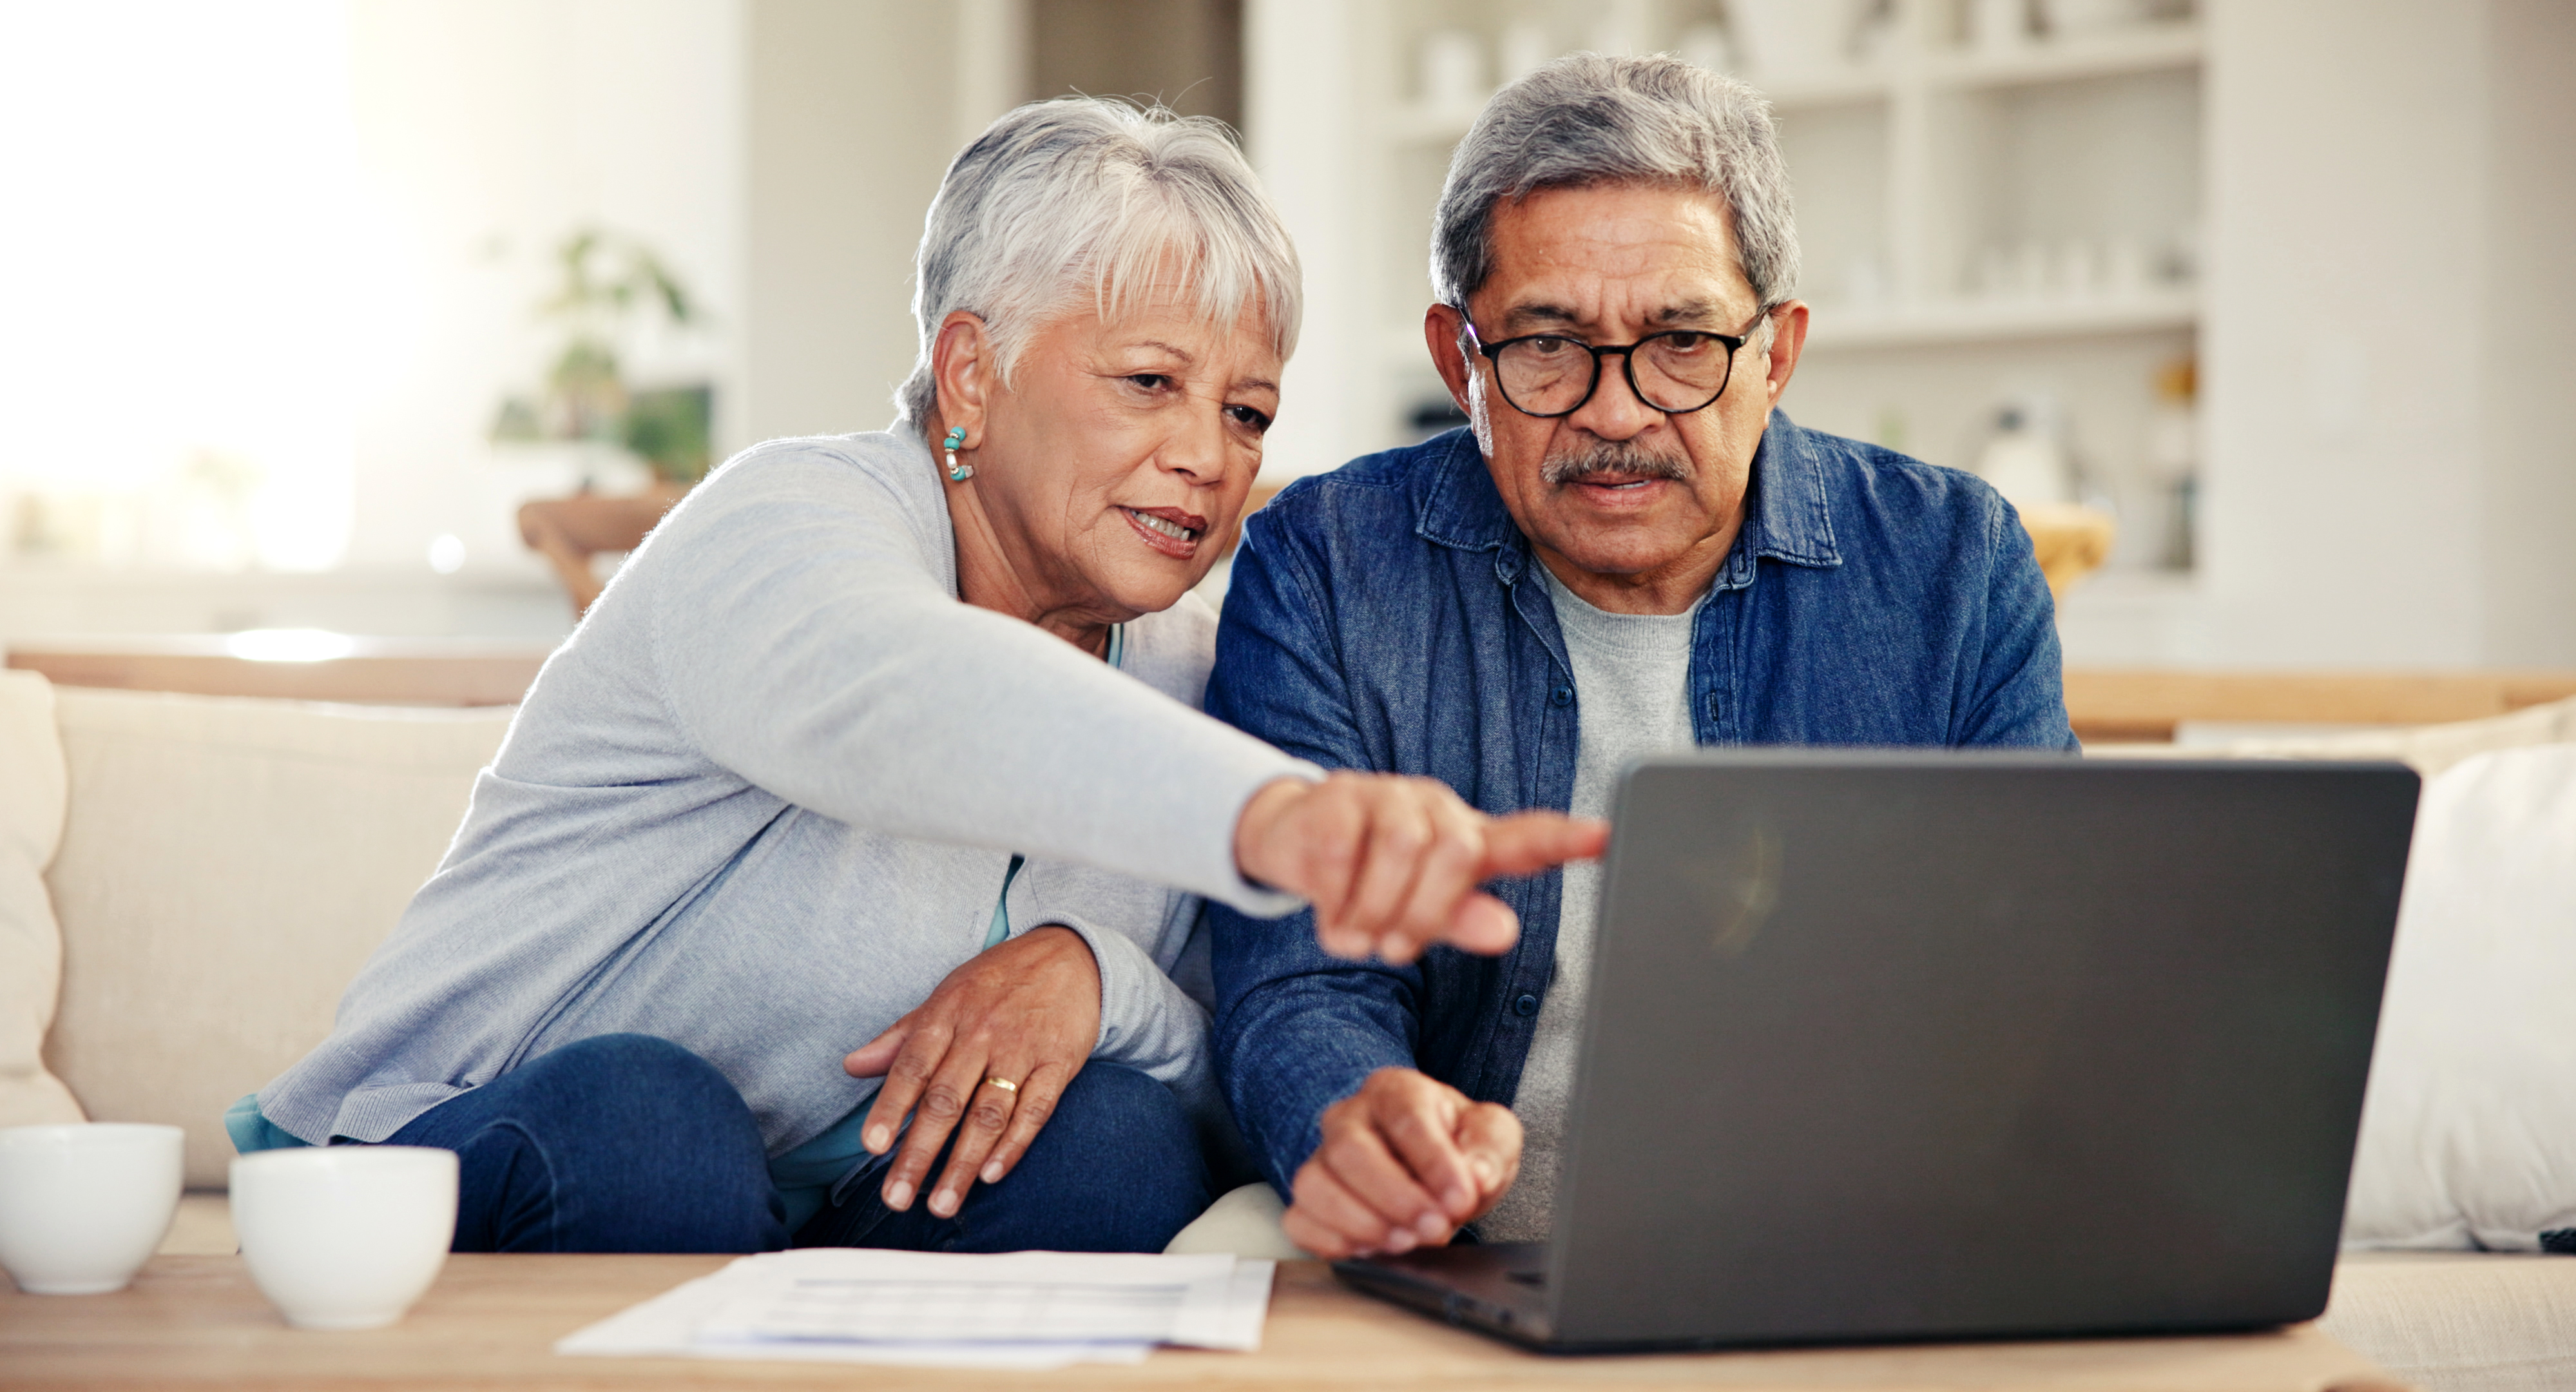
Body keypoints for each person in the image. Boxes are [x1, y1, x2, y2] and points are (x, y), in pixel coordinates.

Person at [231, 98, 1602, 1257]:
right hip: (448, 1157)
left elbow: (1228, 1056)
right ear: (968, 372)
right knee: (656, 1121)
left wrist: (1091, 974)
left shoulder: (1191, 668)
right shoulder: (785, 527)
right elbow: (900, 696)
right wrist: (1277, 817)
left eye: (1245, 411)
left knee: (1118, 1143)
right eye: (1147, 382)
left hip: (827, 1211)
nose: (1209, 452)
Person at [1208, 55, 2077, 1261]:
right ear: (1461, 364)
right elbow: (1298, 982)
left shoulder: (1953, 564)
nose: (1617, 413)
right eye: (1548, 346)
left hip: (1850, 1253)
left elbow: (2031, 971)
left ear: (1775, 354)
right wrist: (1355, 1116)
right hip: (1459, 1260)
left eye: (1679, 343)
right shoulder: (1326, 565)